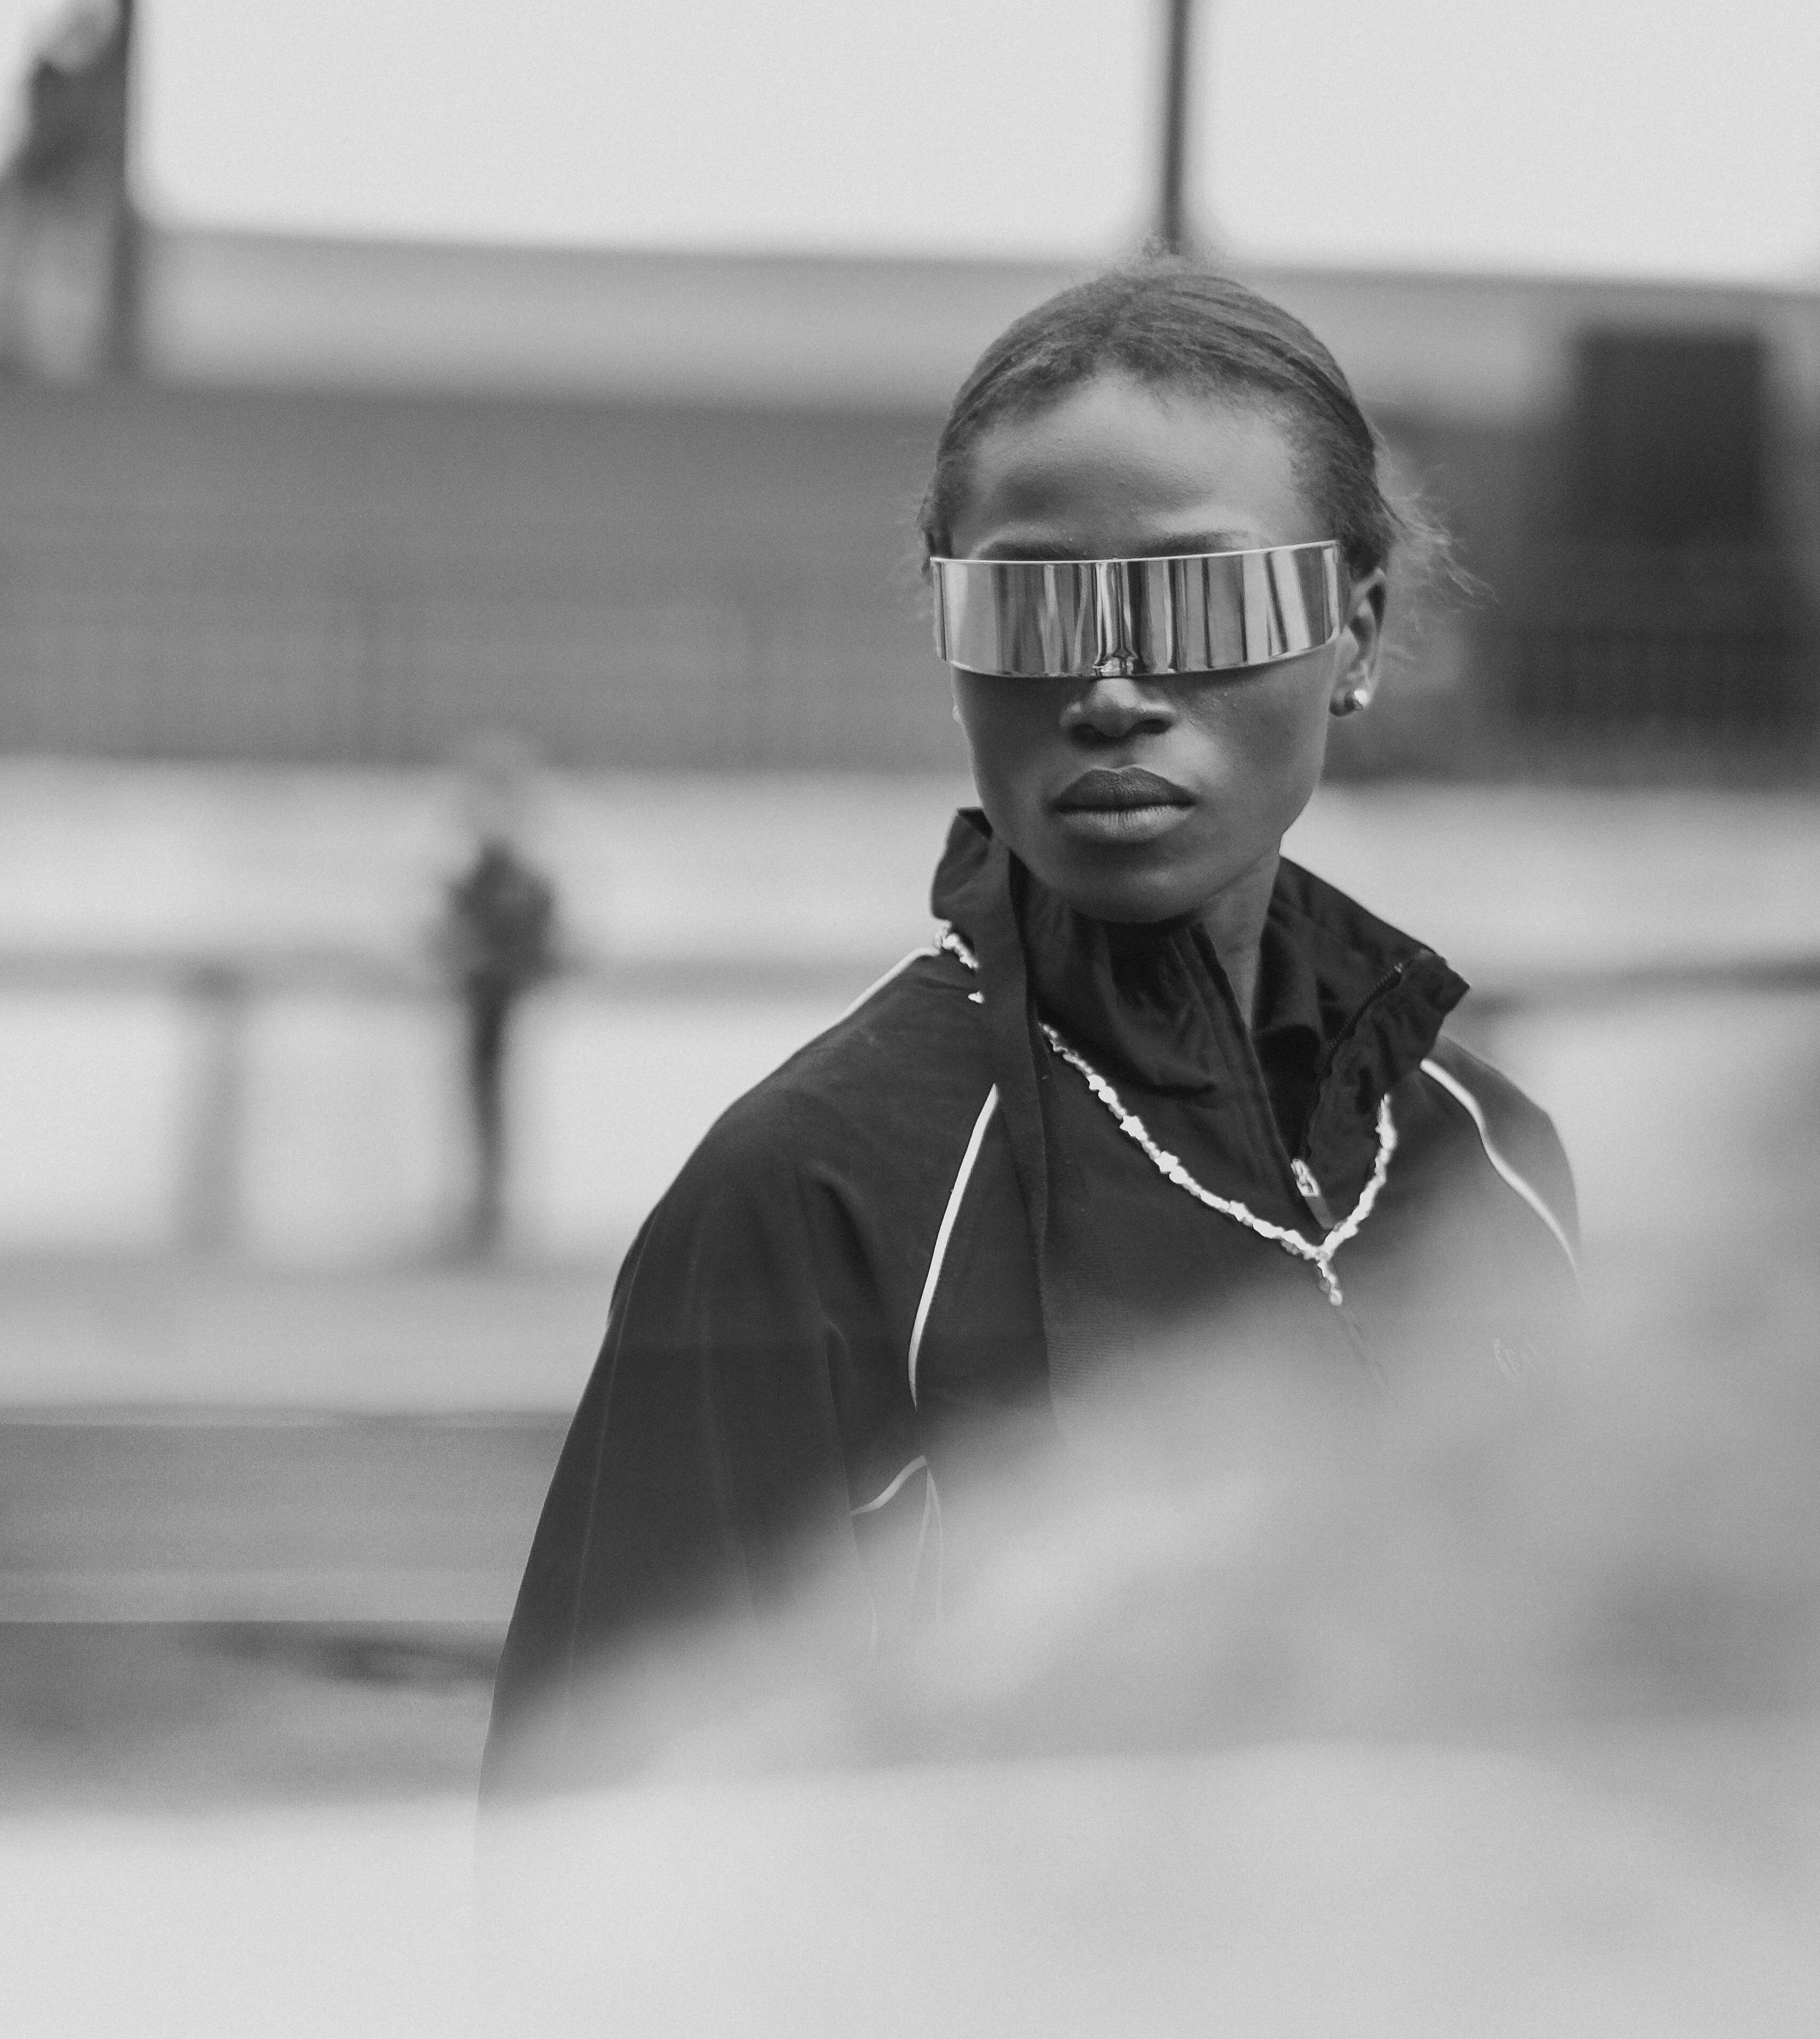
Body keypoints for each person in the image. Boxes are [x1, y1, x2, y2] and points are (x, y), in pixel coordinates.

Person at [484, 264, 1578, 1789]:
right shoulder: (813, 1199)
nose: (1113, 685)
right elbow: (598, 1860)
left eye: (1208, 597)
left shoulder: (1492, 1166)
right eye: (1029, 605)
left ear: (1360, 631)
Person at [438, 745, 563, 1258]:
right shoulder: (476, 881)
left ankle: (491, 1211)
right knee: (481, 1101)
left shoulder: (521, 884)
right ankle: (483, 1210)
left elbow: (542, 940)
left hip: (500, 1004)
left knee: (491, 1101)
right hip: (482, 1004)